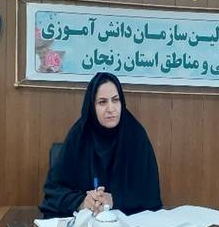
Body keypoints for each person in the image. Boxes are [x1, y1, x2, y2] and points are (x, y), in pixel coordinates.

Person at [40, 72, 162, 217]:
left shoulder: (135, 136)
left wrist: (115, 200)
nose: (111, 109)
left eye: (115, 100)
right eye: (102, 102)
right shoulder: (79, 136)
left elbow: (150, 194)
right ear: (92, 106)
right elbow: (54, 192)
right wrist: (81, 202)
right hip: (86, 226)